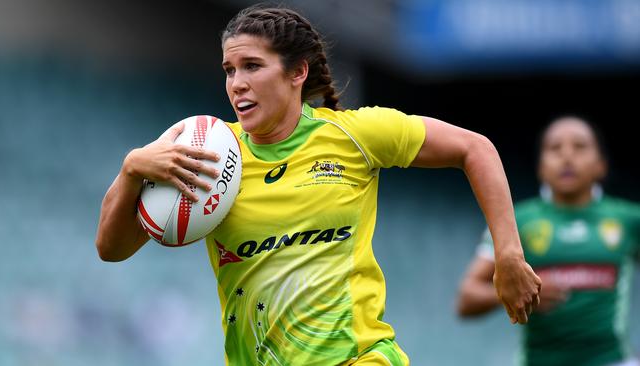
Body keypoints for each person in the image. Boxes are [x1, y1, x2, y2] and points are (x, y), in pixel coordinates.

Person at [96, 5, 541, 365]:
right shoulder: (208, 158)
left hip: (361, 357)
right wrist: (131, 169)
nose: (237, 84)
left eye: (252, 66)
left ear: (297, 73)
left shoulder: (355, 135)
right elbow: (111, 249)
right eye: (230, 70)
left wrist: (508, 254)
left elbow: (475, 149)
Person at [456, 116, 640, 366]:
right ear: (541, 167)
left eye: (580, 147)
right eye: (555, 148)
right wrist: (519, 293)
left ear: (601, 165)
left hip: (611, 360)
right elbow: (467, 299)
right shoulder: (517, 220)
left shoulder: (628, 219)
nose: (567, 157)